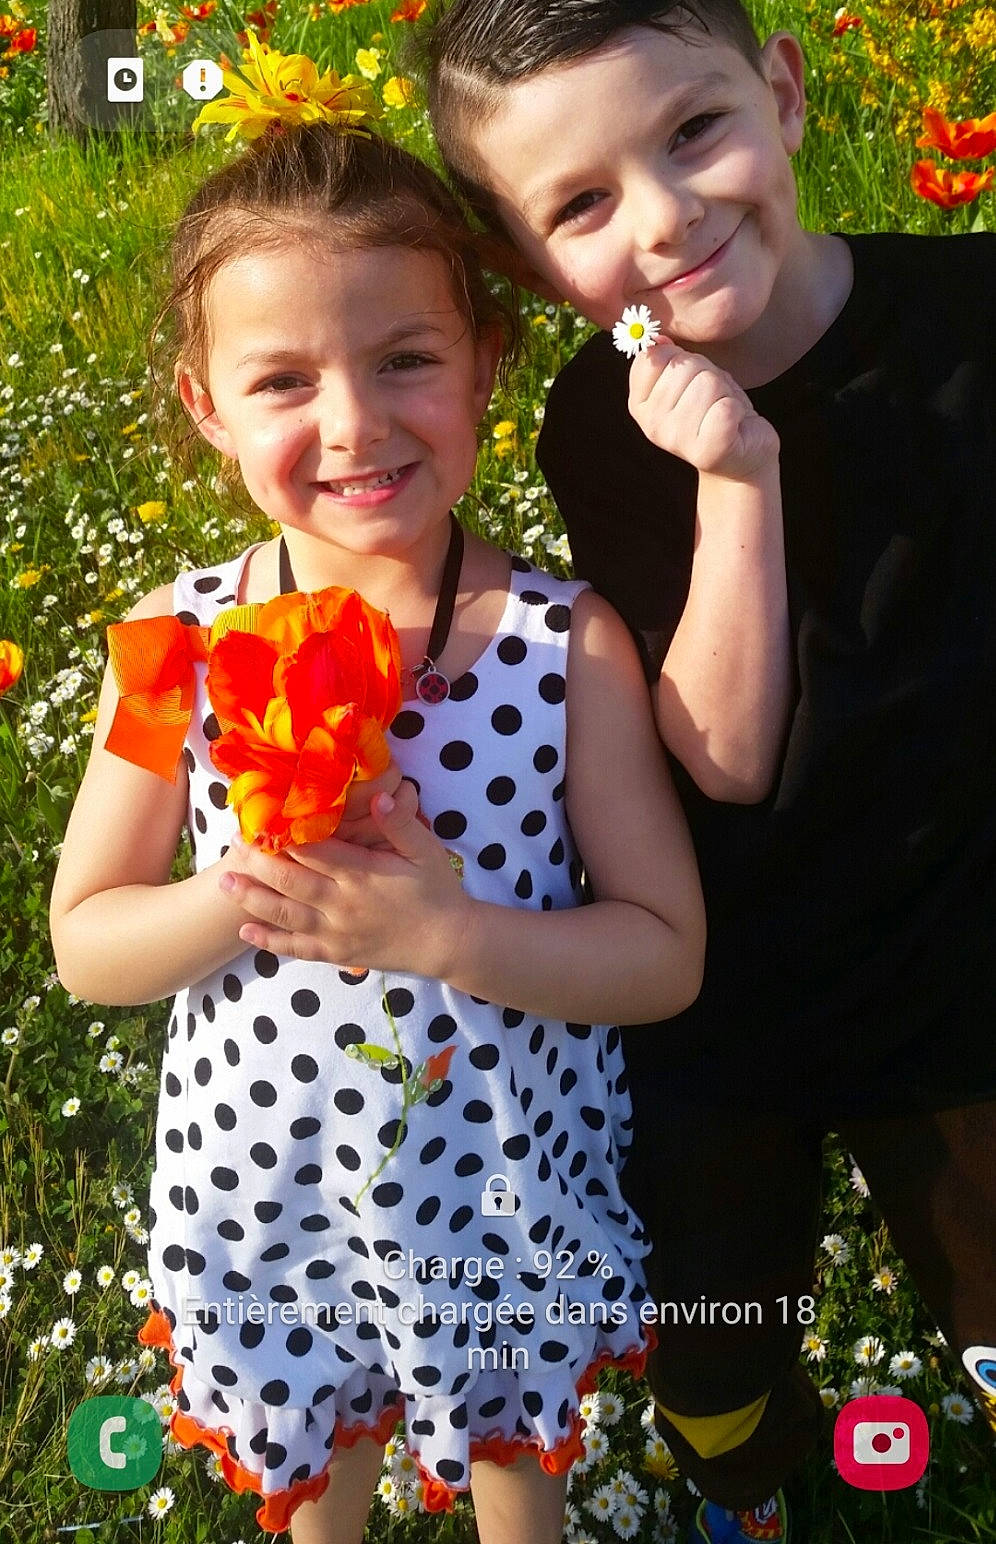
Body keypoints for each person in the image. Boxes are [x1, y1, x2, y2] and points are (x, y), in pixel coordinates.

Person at [406, 0, 996, 1543]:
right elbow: (722, 754)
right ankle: (753, 1496)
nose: (661, 219)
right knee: (718, 1339)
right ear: (528, 259)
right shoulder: (609, 426)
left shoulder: (972, 325)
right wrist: (736, 478)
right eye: (580, 201)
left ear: (788, 92)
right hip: (717, 1004)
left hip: (965, 980)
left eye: (696, 130)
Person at [50, 116, 705, 1544]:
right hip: (268, 1194)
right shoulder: (175, 643)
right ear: (208, 405)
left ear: (486, 361)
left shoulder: (561, 643)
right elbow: (89, 943)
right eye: (283, 380)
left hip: (500, 1192)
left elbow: (664, 955)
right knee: (317, 1501)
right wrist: (250, 890)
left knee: (515, 1486)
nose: (352, 424)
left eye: (406, 357)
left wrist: (451, 933)